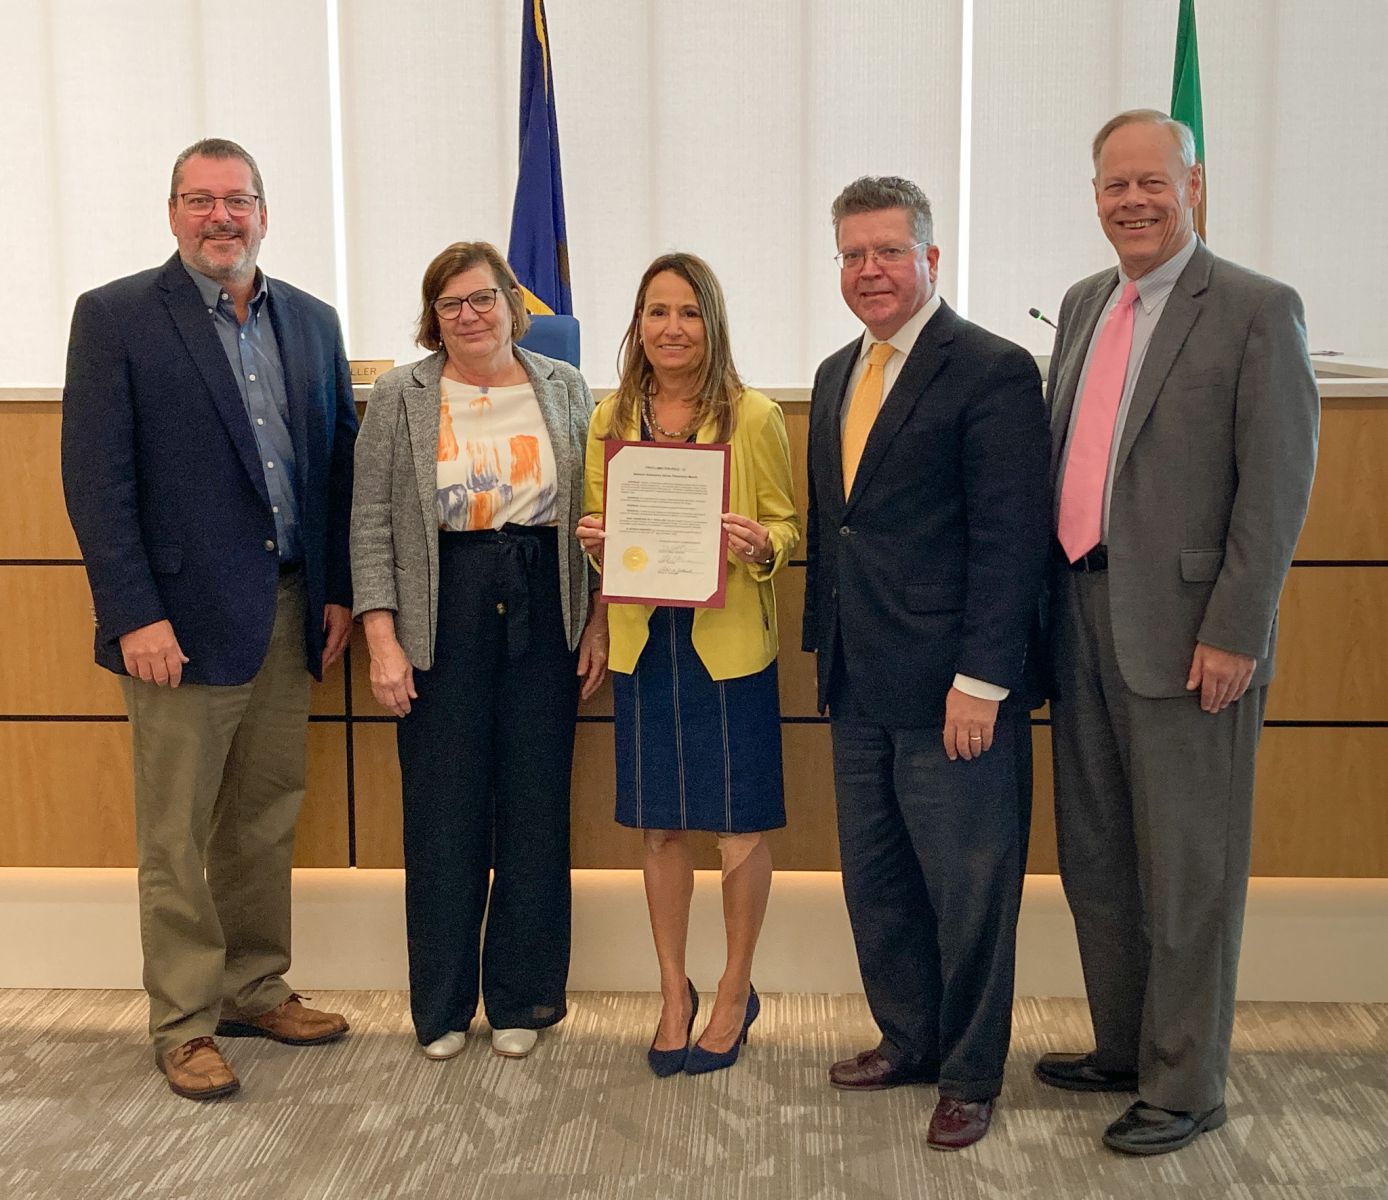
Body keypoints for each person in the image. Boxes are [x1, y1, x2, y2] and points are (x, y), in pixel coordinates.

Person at [1036, 110, 1319, 1156]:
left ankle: (1187, 1081)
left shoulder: (1252, 308)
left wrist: (1236, 629)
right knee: (1099, 860)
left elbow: (1275, 488)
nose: (1132, 202)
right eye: (1114, 186)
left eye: (1152, 183)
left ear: (1191, 186)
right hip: (1078, 619)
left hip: (1193, 637)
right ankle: (1125, 1048)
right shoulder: (1079, 305)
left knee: (1189, 871)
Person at [61, 138, 357, 1100]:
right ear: (173, 211)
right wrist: (133, 613)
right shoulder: (115, 319)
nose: (219, 217)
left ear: (264, 211)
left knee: (265, 820)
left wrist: (341, 593)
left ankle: (253, 987)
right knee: (177, 835)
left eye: (237, 200)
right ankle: (184, 1021)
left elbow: (336, 474)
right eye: (199, 200)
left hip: (287, 611)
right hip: (176, 631)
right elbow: (97, 484)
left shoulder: (311, 323)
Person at [801, 177, 1050, 1149]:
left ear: (929, 259)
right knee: (878, 883)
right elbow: (845, 530)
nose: (868, 270)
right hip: (859, 682)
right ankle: (906, 1038)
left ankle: (970, 1073)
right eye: (851, 254)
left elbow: (1008, 540)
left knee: (969, 889)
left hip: (955, 688)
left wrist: (981, 682)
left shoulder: (988, 370)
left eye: (886, 252)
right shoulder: (833, 374)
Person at [351, 242, 607, 1063]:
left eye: (483, 298)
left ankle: (524, 994)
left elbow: (598, 514)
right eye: (451, 303)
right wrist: (381, 637)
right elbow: (372, 524)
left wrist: (597, 620)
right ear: (434, 317)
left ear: (512, 303)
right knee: (442, 812)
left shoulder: (564, 386)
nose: (469, 315)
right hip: (440, 611)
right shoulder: (400, 394)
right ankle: (442, 1008)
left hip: (545, 606)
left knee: (535, 806)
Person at [576, 253, 799, 1077]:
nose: (672, 329)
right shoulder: (609, 420)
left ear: (713, 322)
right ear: (637, 325)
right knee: (661, 823)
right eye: (656, 312)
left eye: (689, 313)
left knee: (737, 823)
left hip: (728, 648)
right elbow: (601, 523)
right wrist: (595, 541)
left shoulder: (756, 416)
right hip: (644, 644)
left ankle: (737, 989)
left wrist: (759, 543)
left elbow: (787, 528)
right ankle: (676, 991)